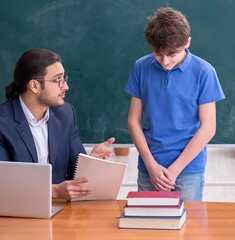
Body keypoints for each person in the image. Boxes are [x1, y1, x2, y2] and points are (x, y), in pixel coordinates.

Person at [125, 7, 225, 201]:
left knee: (187, 228)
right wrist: (151, 165)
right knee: (145, 227)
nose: (165, 61)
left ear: (187, 42)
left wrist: (174, 170)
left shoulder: (204, 72)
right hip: (149, 167)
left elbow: (208, 127)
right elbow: (133, 121)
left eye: (172, 54)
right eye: (157, 53)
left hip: (188, 170)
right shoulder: (141, 67)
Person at [0, 48, 115, 200]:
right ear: (34, 86)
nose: (65, 86)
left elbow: (74, 172)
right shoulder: (3, 122)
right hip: (17, 213)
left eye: (64, 79)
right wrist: (52, 191)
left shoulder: (65, 114)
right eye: (57, 80)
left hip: (60, 211)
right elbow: (4, 184)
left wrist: (90, 162)